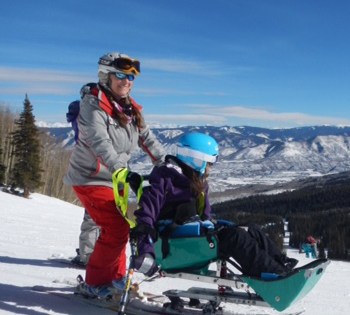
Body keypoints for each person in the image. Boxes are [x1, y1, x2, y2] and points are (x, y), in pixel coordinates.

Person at [64, 52, 166, 297]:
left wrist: (167, 165)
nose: (127, 81)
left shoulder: (130, 108)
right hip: (91, 177)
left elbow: (147, 139)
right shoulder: (92, 106)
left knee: (127, 225)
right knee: (116, 227)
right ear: (105, 76)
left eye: (131, 77)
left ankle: (118, 279)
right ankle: (96, 283)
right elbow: (100, 143)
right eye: (120, 75)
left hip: (117, 179)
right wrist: (121, 169)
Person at [130, 133, 298, 279]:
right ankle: (274, 274)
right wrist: (146, 252)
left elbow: (205, 215)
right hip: (174, 243)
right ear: (195, 160)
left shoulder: (197, 182)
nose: (210, 167)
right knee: (235, 237)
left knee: (249, 228)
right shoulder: (164, 180)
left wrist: (211, 225)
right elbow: (145, 218)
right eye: (209, 162)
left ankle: (282, 264)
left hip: (192, 234)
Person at [67, 83, 101, 266]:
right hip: (94, 170)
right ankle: (88, 255)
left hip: (92, 169)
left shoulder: (81, 114)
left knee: (96, 215)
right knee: (94, 215)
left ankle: (90, 252)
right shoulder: (87, 115)